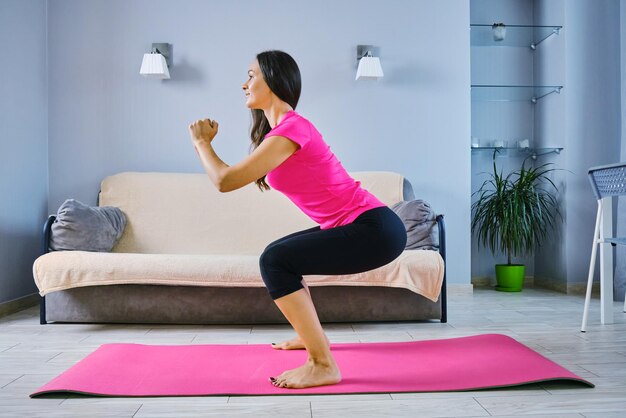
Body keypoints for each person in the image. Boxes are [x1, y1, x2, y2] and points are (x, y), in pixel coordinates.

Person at [188, 50, 407, 389]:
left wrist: (202, 143)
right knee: (279, 253)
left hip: (374, 229)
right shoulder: (280, 132)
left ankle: (323, 364)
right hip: (360, 225)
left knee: (275, 260)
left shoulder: (293, 129)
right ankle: (312, 338)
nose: (243, 83)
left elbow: (225, 181)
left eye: (251, 75)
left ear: (274, 80)